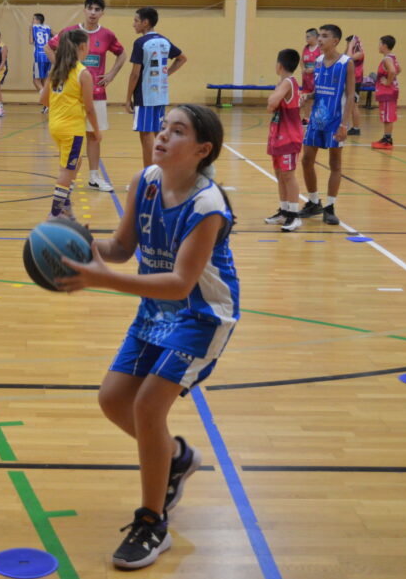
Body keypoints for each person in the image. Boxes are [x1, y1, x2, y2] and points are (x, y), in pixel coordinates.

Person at [56, 104, 238, 570]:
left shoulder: (207, 206)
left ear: (202, 150)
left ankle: (151, 522)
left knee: (148, 406)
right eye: (162, 128)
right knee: (114, 399)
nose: (161, 137)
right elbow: (121, 249)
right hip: (156, 309)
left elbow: (181, 282)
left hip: (201, 315)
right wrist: (74, 245)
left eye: (177, 131)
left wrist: (101, 280)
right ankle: (174, 458)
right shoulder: (145, 181)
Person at [47, 0, 127, 192]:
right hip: (71, 97)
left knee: (93, 136)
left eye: (97, 9)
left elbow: (122, 54)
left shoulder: (107, 35)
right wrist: (60, 67)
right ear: (84, 9)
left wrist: (111, 74)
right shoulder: (69, 32)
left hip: (96, 93)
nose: (93, 12)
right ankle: (69, 178)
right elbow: (48, 47)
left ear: (102, 13)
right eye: (90, 8)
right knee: (70, 138)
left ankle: (93, 177)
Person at [39, 29, 99, 219]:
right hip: (72, 129)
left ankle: (65, 204)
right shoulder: (83, 73)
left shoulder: (57, 69)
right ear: (82, 47)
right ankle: (56, 213)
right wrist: (97, 131)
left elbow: (43, 99)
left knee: (76, 162)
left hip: (55, 126)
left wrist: (60, 105)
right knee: (67, 170)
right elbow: (89, 108)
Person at [299, 24, 354, 226]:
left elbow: (350, 96)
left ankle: (330, 207)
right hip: (316, 118)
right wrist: (308, 96)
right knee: (306, 160)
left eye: (324, 36)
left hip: (335, 121)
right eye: (319, 36)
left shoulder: (346, 63)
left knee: (335, 164)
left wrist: (344, 125)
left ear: (335, 41)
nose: (319, 39)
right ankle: (314, 202)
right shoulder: (319, 61)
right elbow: (320, 91)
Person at [124, 7, 187, 168]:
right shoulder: (164, 41)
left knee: (146, 137)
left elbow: (135, 74)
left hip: (144, 97)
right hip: (161, 96)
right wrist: (166, 74)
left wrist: (127, 99)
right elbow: (182, 58)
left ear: (145, 23)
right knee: (159, 135)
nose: (133, 24)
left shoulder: (140, 43)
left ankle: (149, 176)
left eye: (136, 21)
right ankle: (163, 172)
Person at [264, 49, 304, 233]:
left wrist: (272, 100)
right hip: (278, 134)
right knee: (280, 174)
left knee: (288, 175)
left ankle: (294, 215)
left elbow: (271, 104)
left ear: (279, 65)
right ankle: (284, 210)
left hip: (289, 136)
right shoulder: (284, 83)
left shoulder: (288, 82)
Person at [371, 35, 400, 150]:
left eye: (379, 44)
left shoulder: (387, 59)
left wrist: (388, 82)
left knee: (388, 117)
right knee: (387, 116)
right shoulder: (392, 57)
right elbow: (399, 69)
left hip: (388, 92)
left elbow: (392, 71)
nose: (378, 46)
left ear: (384, 45)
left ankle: (388, 141)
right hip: (389, 92)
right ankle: (386, 138)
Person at [30, 13, 52, 113]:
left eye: (33, 19)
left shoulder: (33, 27)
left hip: (39, 57)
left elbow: (31, 41)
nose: (32, 21)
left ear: (37, 20)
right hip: (48, 56)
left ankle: (49, 103)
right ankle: (46, 106)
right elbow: (57, 35)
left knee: (36, 81)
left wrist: (30, 29)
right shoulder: (48, 27)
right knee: (44, 82)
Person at [344, 34, 365, 136]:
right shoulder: (352, 51)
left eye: (349, 42)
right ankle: (350, 126)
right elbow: (343, 58)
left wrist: (351, 45)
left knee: (353, 105)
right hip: (350, 80)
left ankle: (356, 128)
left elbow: (347, 59)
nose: (348, 45)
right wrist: (348, 47)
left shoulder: (359, 53)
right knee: (349, 104)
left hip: (355, 81)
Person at [300, 28, 321, 123]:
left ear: (315, 37)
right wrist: (303, 69)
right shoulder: (305, 48)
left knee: (317, 99)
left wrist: (313, 69)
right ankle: (306, 118)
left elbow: (323, 62)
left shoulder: (320, 48)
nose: (306, 38)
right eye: (306, 37)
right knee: (306, 99)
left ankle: (317, 118)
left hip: (316, 78)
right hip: (306, 79)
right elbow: (301, 60)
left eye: (308, 37)